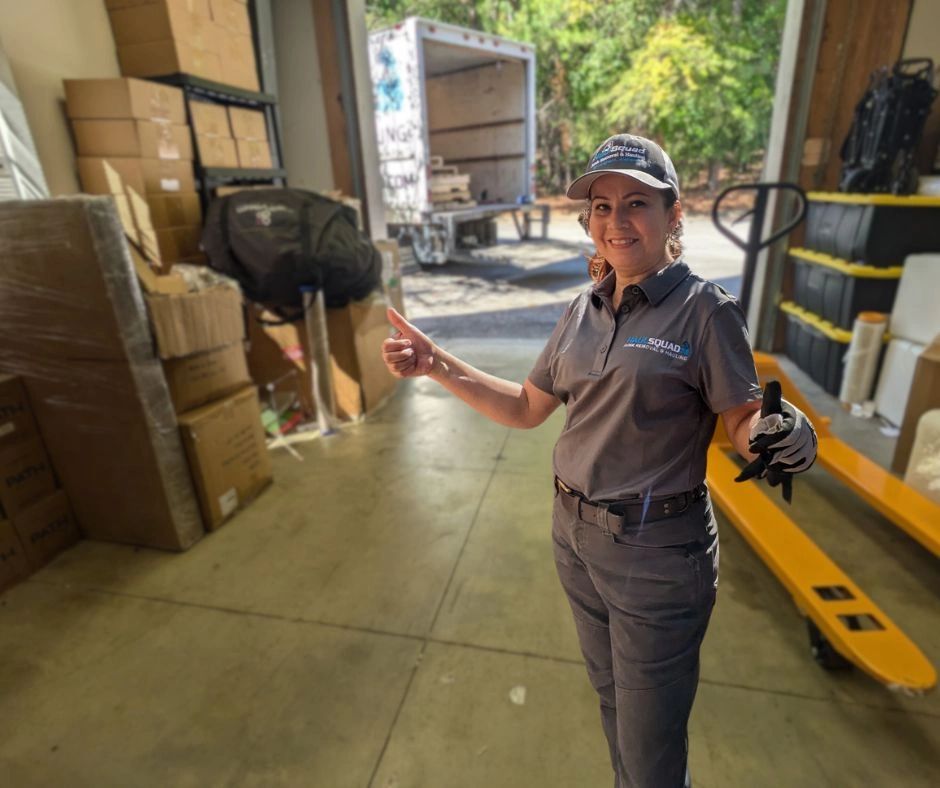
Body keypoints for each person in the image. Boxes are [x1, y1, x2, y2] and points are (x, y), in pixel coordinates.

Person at [381, 134, 817, 788]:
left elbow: (743, 418)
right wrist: (435, 363)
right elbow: (525, 407)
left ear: (673, 215)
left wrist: (780, 431)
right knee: (614, 704)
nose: (616, 221)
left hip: (656, 554)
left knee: (650, 749)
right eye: (603, 206)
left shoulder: (705, 311)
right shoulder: (582, 310)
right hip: (574, 536)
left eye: (636, 203)